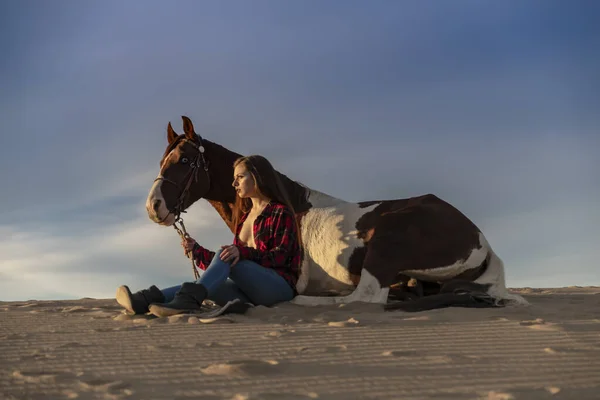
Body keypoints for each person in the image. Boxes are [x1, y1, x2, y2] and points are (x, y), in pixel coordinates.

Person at [115, 155, 302, 317]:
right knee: (211, 285)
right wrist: (196, 251)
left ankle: (187, 301)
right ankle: (145, 300)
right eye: (234, 178)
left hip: (278, 287)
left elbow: (282, 257)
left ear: (257, 177)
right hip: (252, 291)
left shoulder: (280, 212)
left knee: (227, 255)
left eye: (240, 177)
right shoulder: (245, 218)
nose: (234, 183)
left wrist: (242, 253)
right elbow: (226, 263)